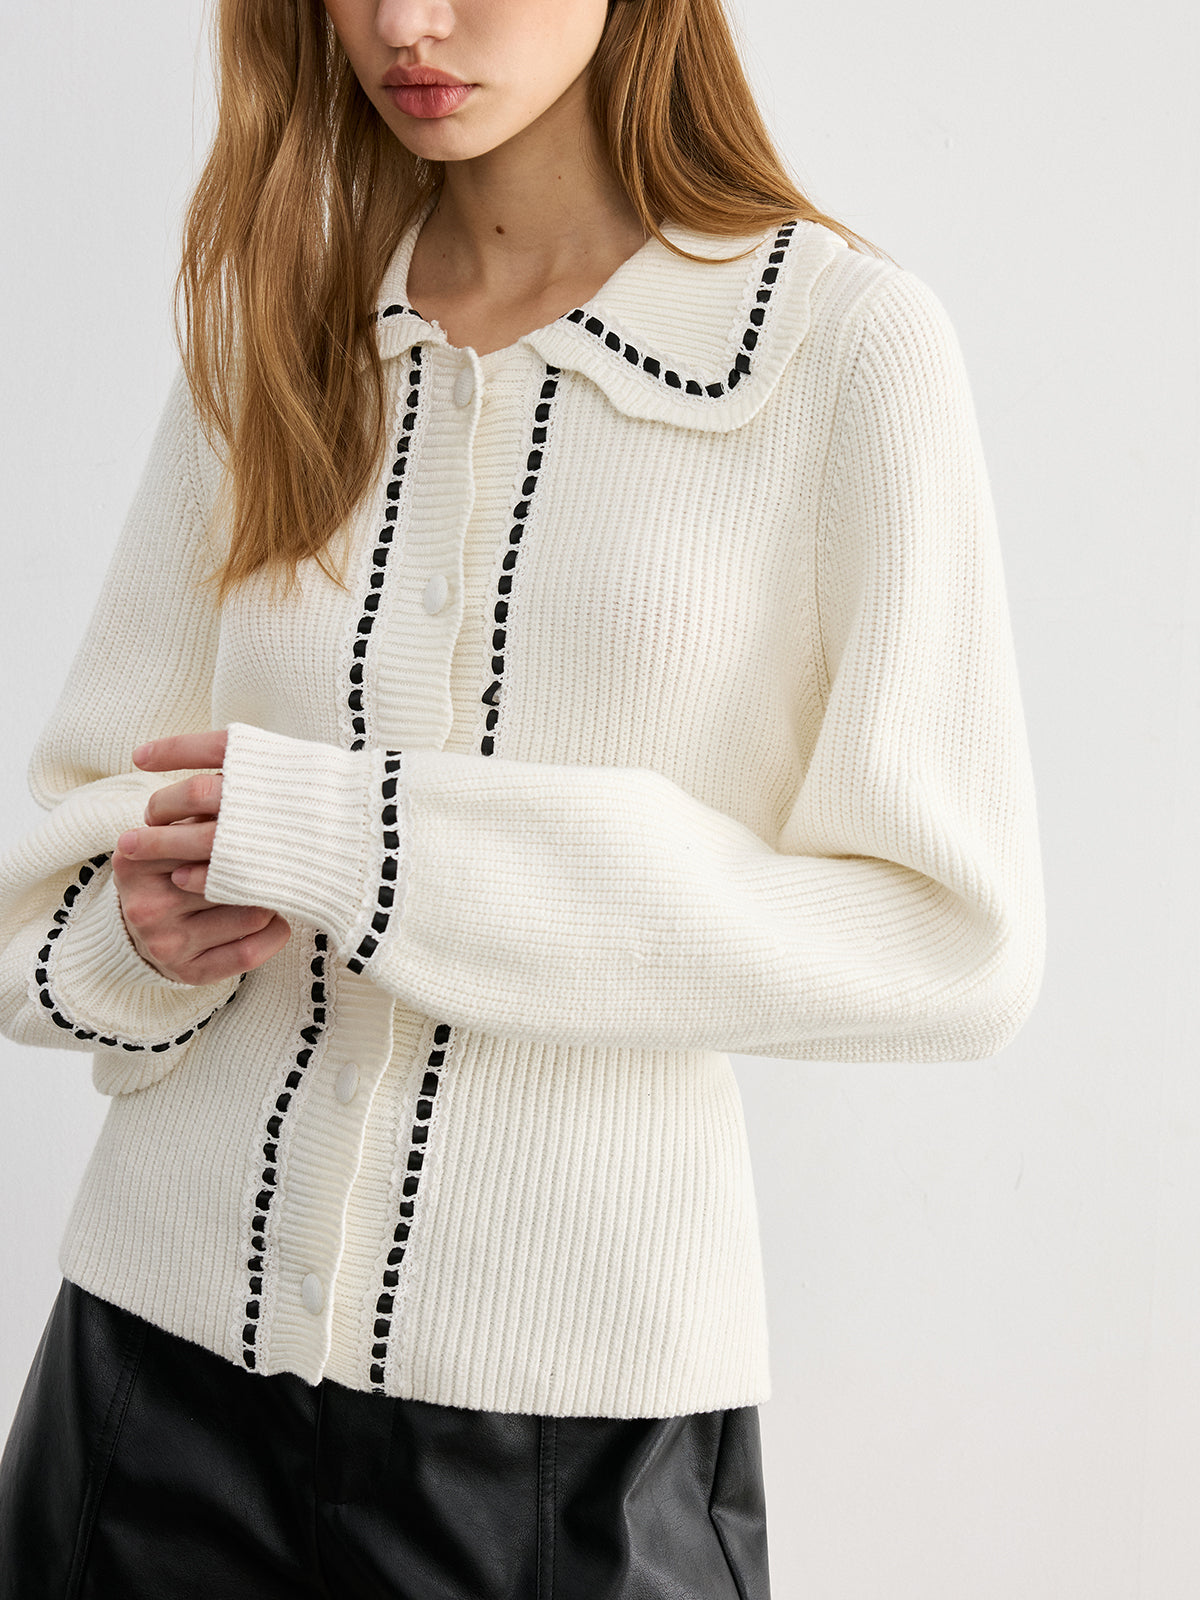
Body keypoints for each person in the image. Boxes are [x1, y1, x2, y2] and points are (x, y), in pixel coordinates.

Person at [0, 0, 1046, 1593]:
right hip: (151, 1379)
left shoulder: (839, 347)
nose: (405, 24)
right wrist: (130, 938)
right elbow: (70, 845)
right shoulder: (283, 315)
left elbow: (952, 942)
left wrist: (382, 849)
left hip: (569, 1448)